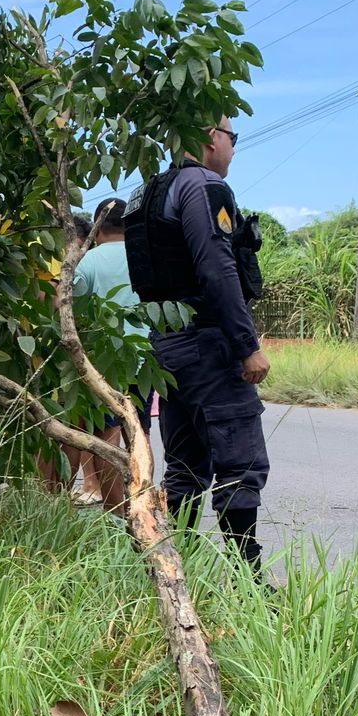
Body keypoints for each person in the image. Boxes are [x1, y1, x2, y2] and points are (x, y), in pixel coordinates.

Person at [126, 116, 272, 573]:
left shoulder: (149, 191)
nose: (233, 148)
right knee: (240, 463)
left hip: (166, 345)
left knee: (185, 467)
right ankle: (249, 581)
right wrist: (246, 344)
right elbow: (217, 268)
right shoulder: (203, 185)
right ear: (211, 137)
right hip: (208, 342)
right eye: (232, 137)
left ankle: (176, 568)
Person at [71, 196, 153, 511]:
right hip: (145, 358)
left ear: (97, 226)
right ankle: (143, 507)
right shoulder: (145, 257)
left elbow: (74, 311)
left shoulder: (87, 262)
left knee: (107, 433)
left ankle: (117, 512)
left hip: (103, 360)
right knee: (139, 434)